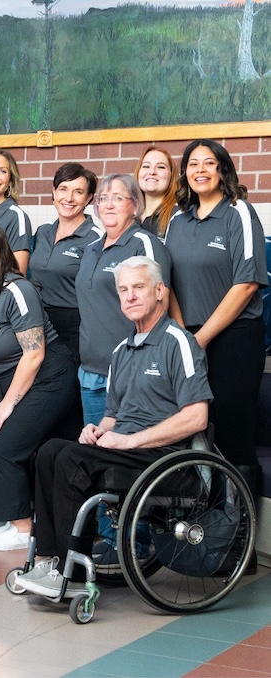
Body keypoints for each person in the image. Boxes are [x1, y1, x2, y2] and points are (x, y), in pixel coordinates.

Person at [16, 257, 212, 597]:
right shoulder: (122, 351)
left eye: (138, 288)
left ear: (160, 292)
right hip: (127, 450)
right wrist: (97, 430)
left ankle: (69, 568)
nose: (130, 296)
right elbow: (113, 415)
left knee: (72, 460)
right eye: (123, 290)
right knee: (49, 450)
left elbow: (197, 417)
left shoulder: (179, 342)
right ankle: (48, 559)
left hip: (165, 459)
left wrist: (130, 441)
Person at [0, 220, 77, 551]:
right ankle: (11, 521)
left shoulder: (17, 290)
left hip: (48, 377)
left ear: (1, 252)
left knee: (4, 447)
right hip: (5, 380)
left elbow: (35, 354)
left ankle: (26, 531)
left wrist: (7, 403)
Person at [165, 139, 267, 501]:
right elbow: (168, 281)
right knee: (190, 432)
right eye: (193, 164)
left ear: (223, 170)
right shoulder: (177, 219)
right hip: (188, 337)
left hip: (234, 340)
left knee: (232, 435)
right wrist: (179, 333)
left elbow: (248, 282)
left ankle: (240, 538)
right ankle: (201, 529)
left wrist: (201, 339)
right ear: (185, 173)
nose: (201, 170)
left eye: (209, 163)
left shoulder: (239, 212)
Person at [76, 174, 172, 425]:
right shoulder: (90, 249)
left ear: (135, 205)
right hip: (90, 373)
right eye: (102, 198)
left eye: (118, 198)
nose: (108, 205)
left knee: (126, 456)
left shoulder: (144, 243)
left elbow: (161, 307)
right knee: (95, 453)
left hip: (130, 373)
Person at [28, 163, 101, 367]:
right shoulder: (42, 233)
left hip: (74, 328)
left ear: (88, 199)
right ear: (53, 192)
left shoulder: (95, 239)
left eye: (78, 192)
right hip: (38, 322)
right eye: (63, 189)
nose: (69, 198)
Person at [135, 146, 178, 238]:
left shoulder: (179, 217)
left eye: (161, 167)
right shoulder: (129, 215)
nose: (152, 172)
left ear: (171, 175)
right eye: (146, 166)